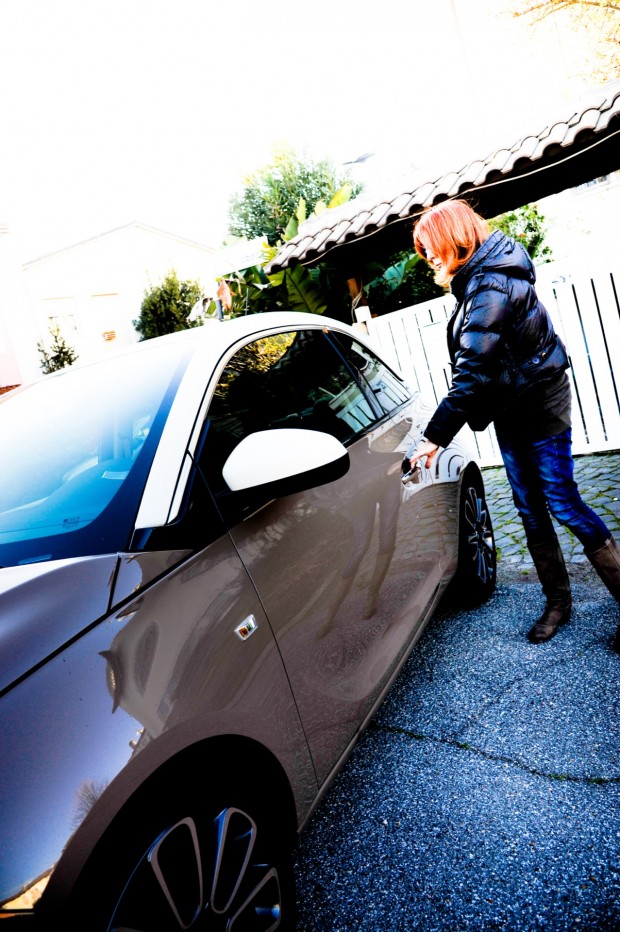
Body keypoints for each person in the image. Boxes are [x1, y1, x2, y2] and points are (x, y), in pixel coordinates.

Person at [407, 198, 620, 652]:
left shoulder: (491, 286)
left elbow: (471, 375)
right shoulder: (478, 279)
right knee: (528, 508)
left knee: (562, 502)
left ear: (453, 240)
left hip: (540, 405)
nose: (428, 259)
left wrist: (433, 439)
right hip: (510, 409)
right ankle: (558, 603)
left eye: (430, 248)